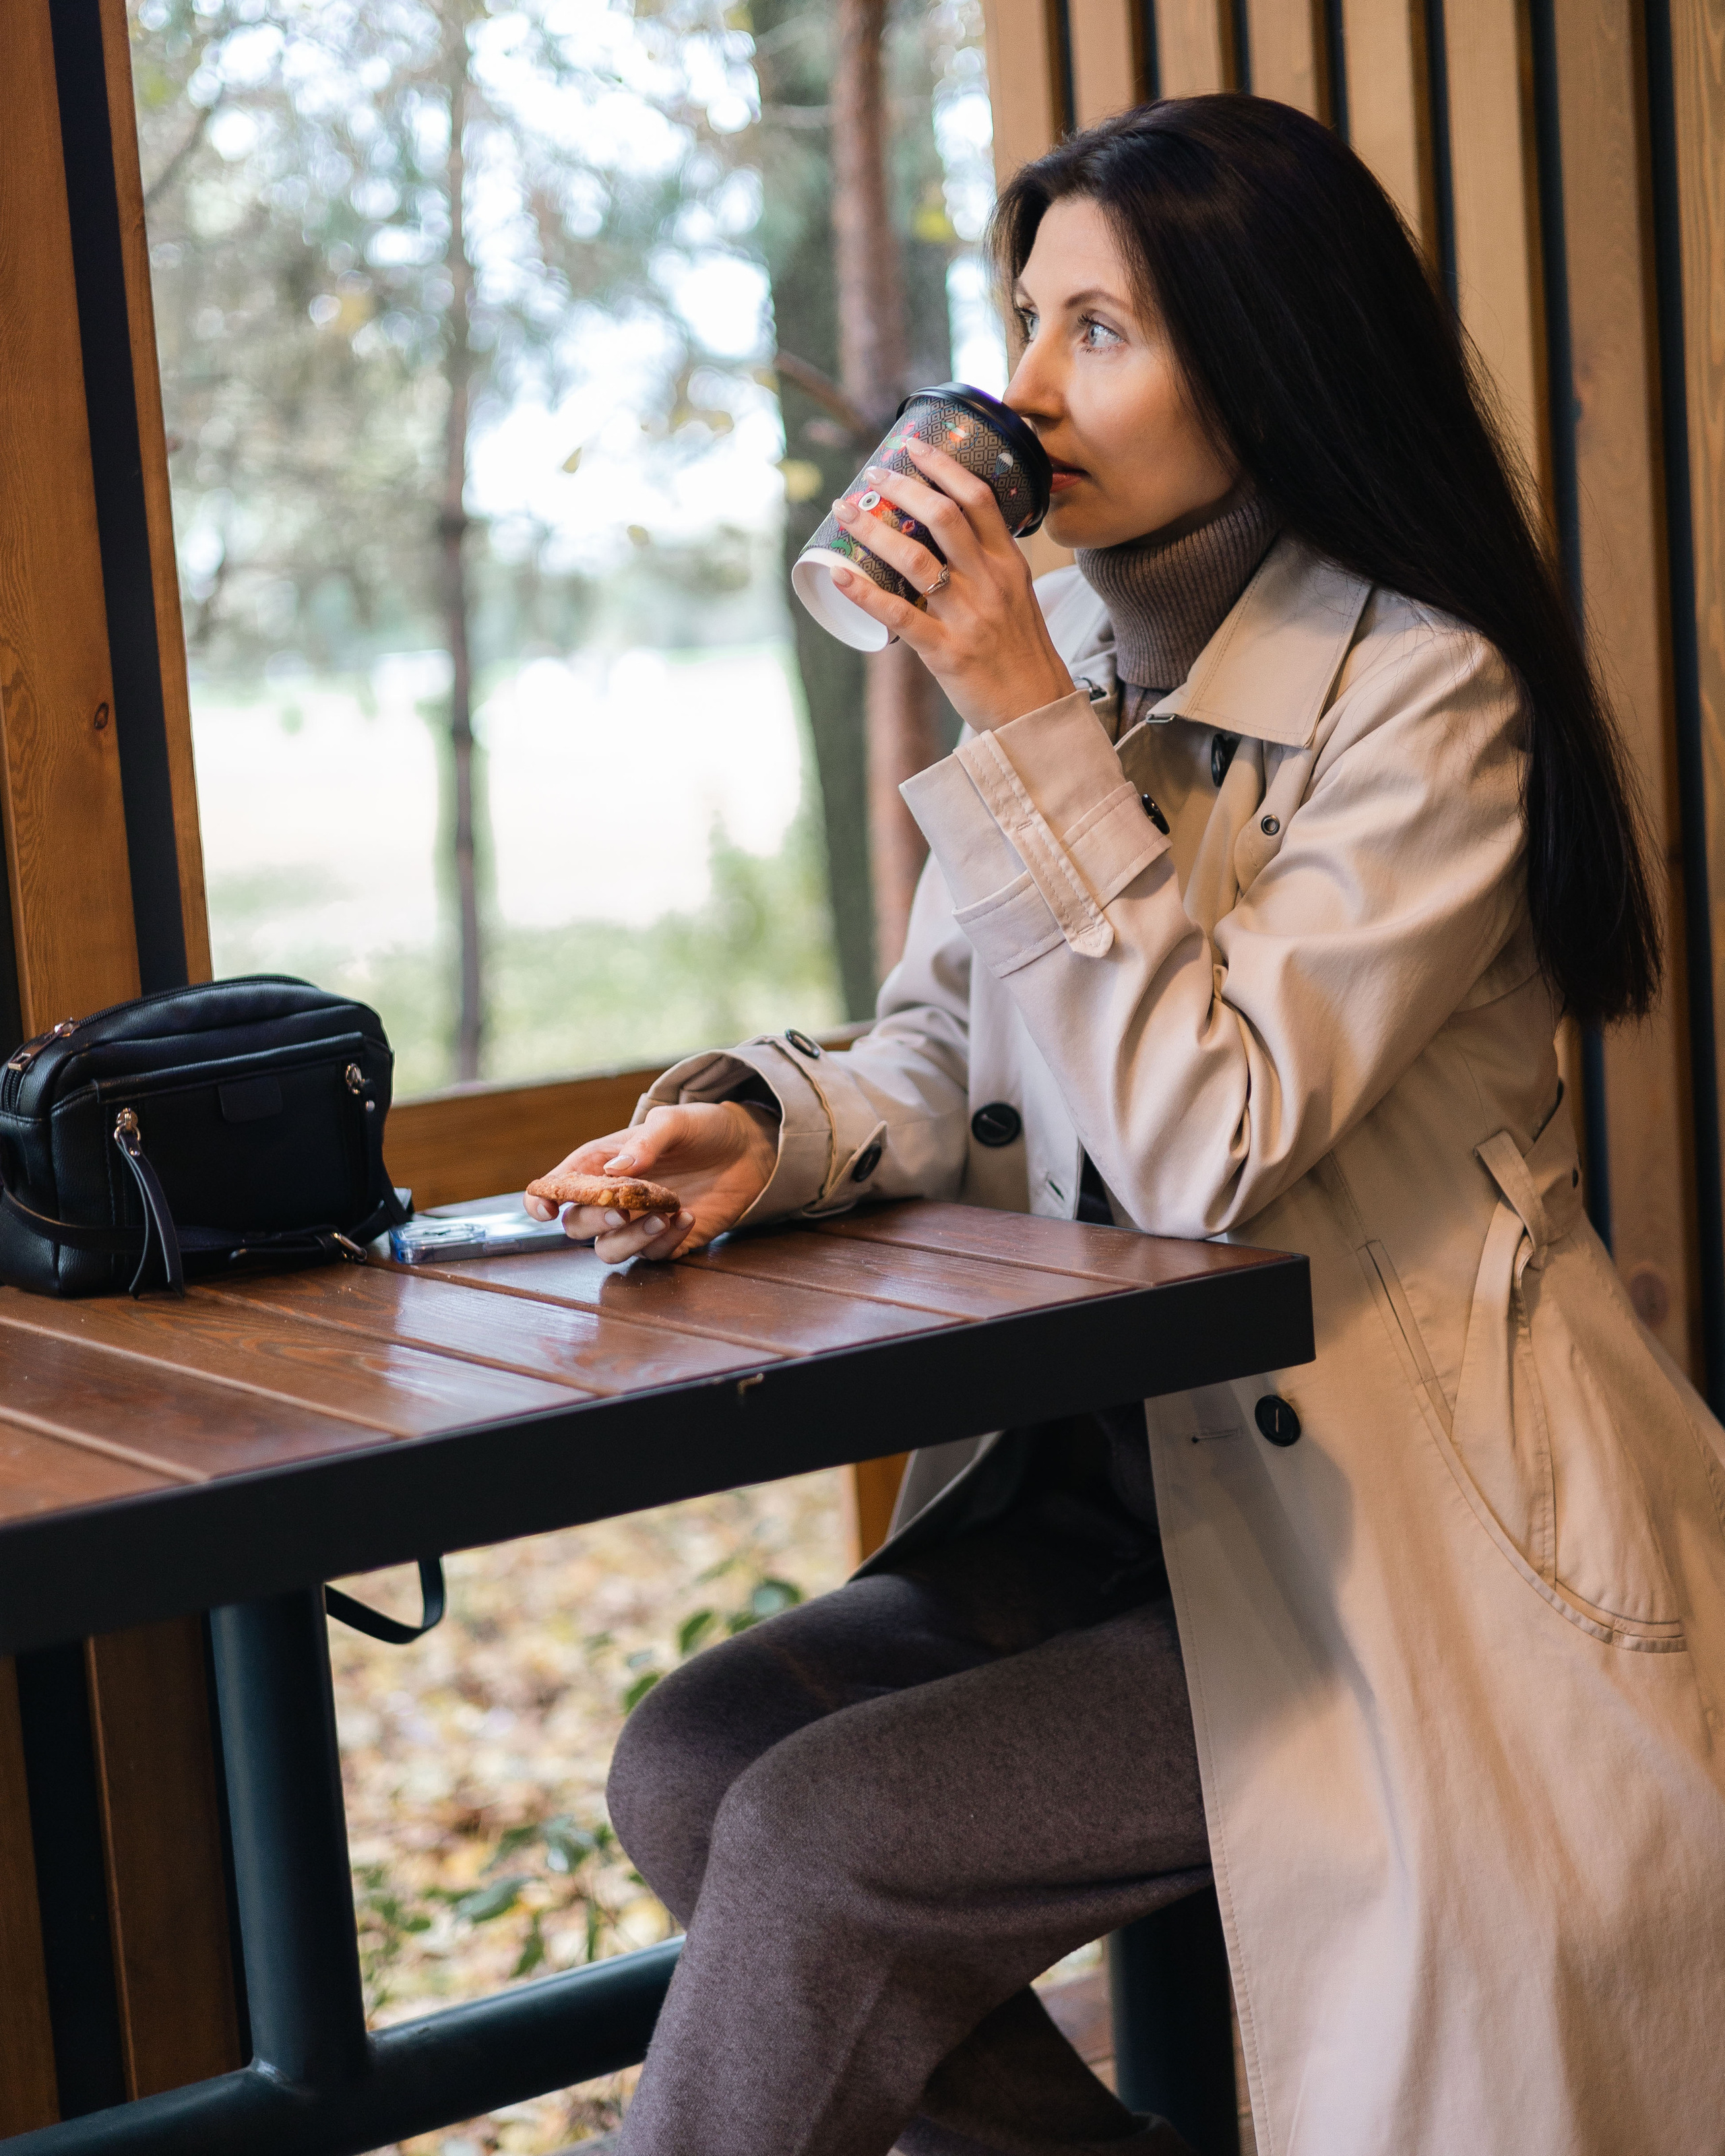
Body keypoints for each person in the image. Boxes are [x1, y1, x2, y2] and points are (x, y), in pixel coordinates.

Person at [525, 96, 1725, 2156]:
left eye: (1103, 329)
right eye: (1023, 319)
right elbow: (953, 1046)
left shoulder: (1429, 695)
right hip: (1104, 1513)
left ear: (1265, 359)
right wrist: (769, 1131)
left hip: (1385, 1547)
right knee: (694, 1762)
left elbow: (1201, 1141)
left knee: (814, 1832)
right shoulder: (1070, 654)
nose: (1024, 387)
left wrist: (1017, 721)